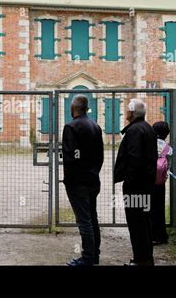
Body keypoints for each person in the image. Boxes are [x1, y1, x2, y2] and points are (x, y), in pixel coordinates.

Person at [114, 98, 157, 266]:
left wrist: (129, 181)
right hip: (146, 184)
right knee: (144, 221)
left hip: (135, 186)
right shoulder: (147, 128)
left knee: (136, 223)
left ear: (132, 112)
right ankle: (146, 258)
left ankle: (141, 260)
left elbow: (134, 158)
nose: (125, 112)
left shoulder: (134, 131)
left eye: (127, 110)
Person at [62, 94, 104, 266]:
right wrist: (93, 172)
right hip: (93, 179)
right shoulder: (96, 126)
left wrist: (69, 180)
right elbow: (100, 156)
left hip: (77, 182)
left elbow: (69, 157)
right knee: (92, 218)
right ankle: (94, 256)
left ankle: (87, 258)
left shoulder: (71, 127)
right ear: (86, 108)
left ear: (73, 108)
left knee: (84, 221)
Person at [151, 121, 172, 245]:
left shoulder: (148, 145)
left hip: (148, 182)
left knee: (148, 208)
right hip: (160, 183)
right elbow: (169, 166)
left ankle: (150, 235)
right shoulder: (169, 149)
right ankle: (161, 236)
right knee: (159, 208)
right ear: (167, 134)